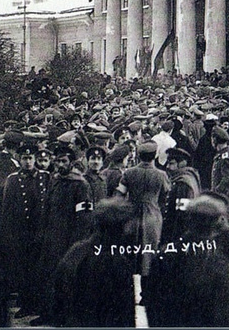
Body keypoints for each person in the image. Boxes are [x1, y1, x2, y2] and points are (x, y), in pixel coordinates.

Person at [144, 192, 229, 327]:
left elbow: (152, 301)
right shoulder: (221, 253)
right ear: (217, 221)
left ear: (189, 219)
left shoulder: (168, 255)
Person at [50, 198, 137, 327]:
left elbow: (57, 299)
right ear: (118, 229)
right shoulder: (117, 262)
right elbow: (124, 315)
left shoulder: (75, 251)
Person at [32, 145, 94, 324]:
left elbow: (84, 216)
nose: (60, 165)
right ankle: (48, 314)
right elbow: (47, 209)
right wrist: (42, 233)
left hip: (68, 239)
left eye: (63, 161)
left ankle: (64, 316)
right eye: (57, 161)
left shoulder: (80, 184)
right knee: (48, 276)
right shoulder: (56, 180)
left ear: (72, 163)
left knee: (67, 278)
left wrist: (77, 243)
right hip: (51, 238)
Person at [0, 143, 51, 317]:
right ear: (19, 160)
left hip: (41, 230)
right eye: (24, 158)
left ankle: (38, 304)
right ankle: (26, 304)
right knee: (23, 269)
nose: (28, 162)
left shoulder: (45, 177)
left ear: (35, 159)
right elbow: (7, 209)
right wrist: (8, 234)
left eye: (30, 158)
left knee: (40, 269)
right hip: (21, 232)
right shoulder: (13, 179)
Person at [115, 140, 171, 276]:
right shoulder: (161, 175)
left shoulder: (129, 173)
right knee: (150, 250)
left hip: (132, 215)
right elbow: (166, 197)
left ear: (139, 155)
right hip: (153, 215)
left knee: (131, 250)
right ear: (155, 155)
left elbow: (119, 195)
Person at [161, 147, 201, 243]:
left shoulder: (182, 183)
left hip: (177, 233)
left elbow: (182, 215)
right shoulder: (189, 177)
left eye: (171, 164)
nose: (167, 167)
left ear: (181, 164)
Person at [211, 126, 229, 233]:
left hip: (224, 201)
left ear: (215, 140)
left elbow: (227, 182)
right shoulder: (224, 155)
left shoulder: (225, 157)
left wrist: (215, 195)